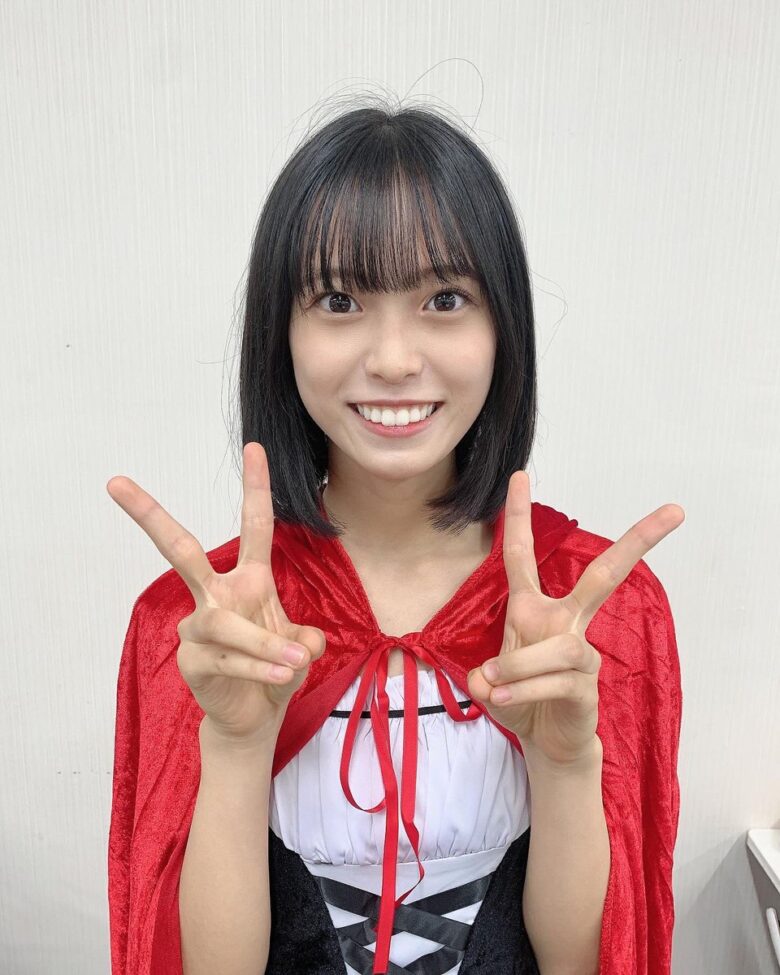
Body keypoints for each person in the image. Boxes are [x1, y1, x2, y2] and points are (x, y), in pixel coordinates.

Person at [106, 100, 684, 975]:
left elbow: (591, 961)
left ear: (503, 327)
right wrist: (235, 746)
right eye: (339, 299)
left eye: (444, 299)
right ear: (281, 333)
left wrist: (565, 765)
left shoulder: (598, 611)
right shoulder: (201, 626)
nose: (393, 359)